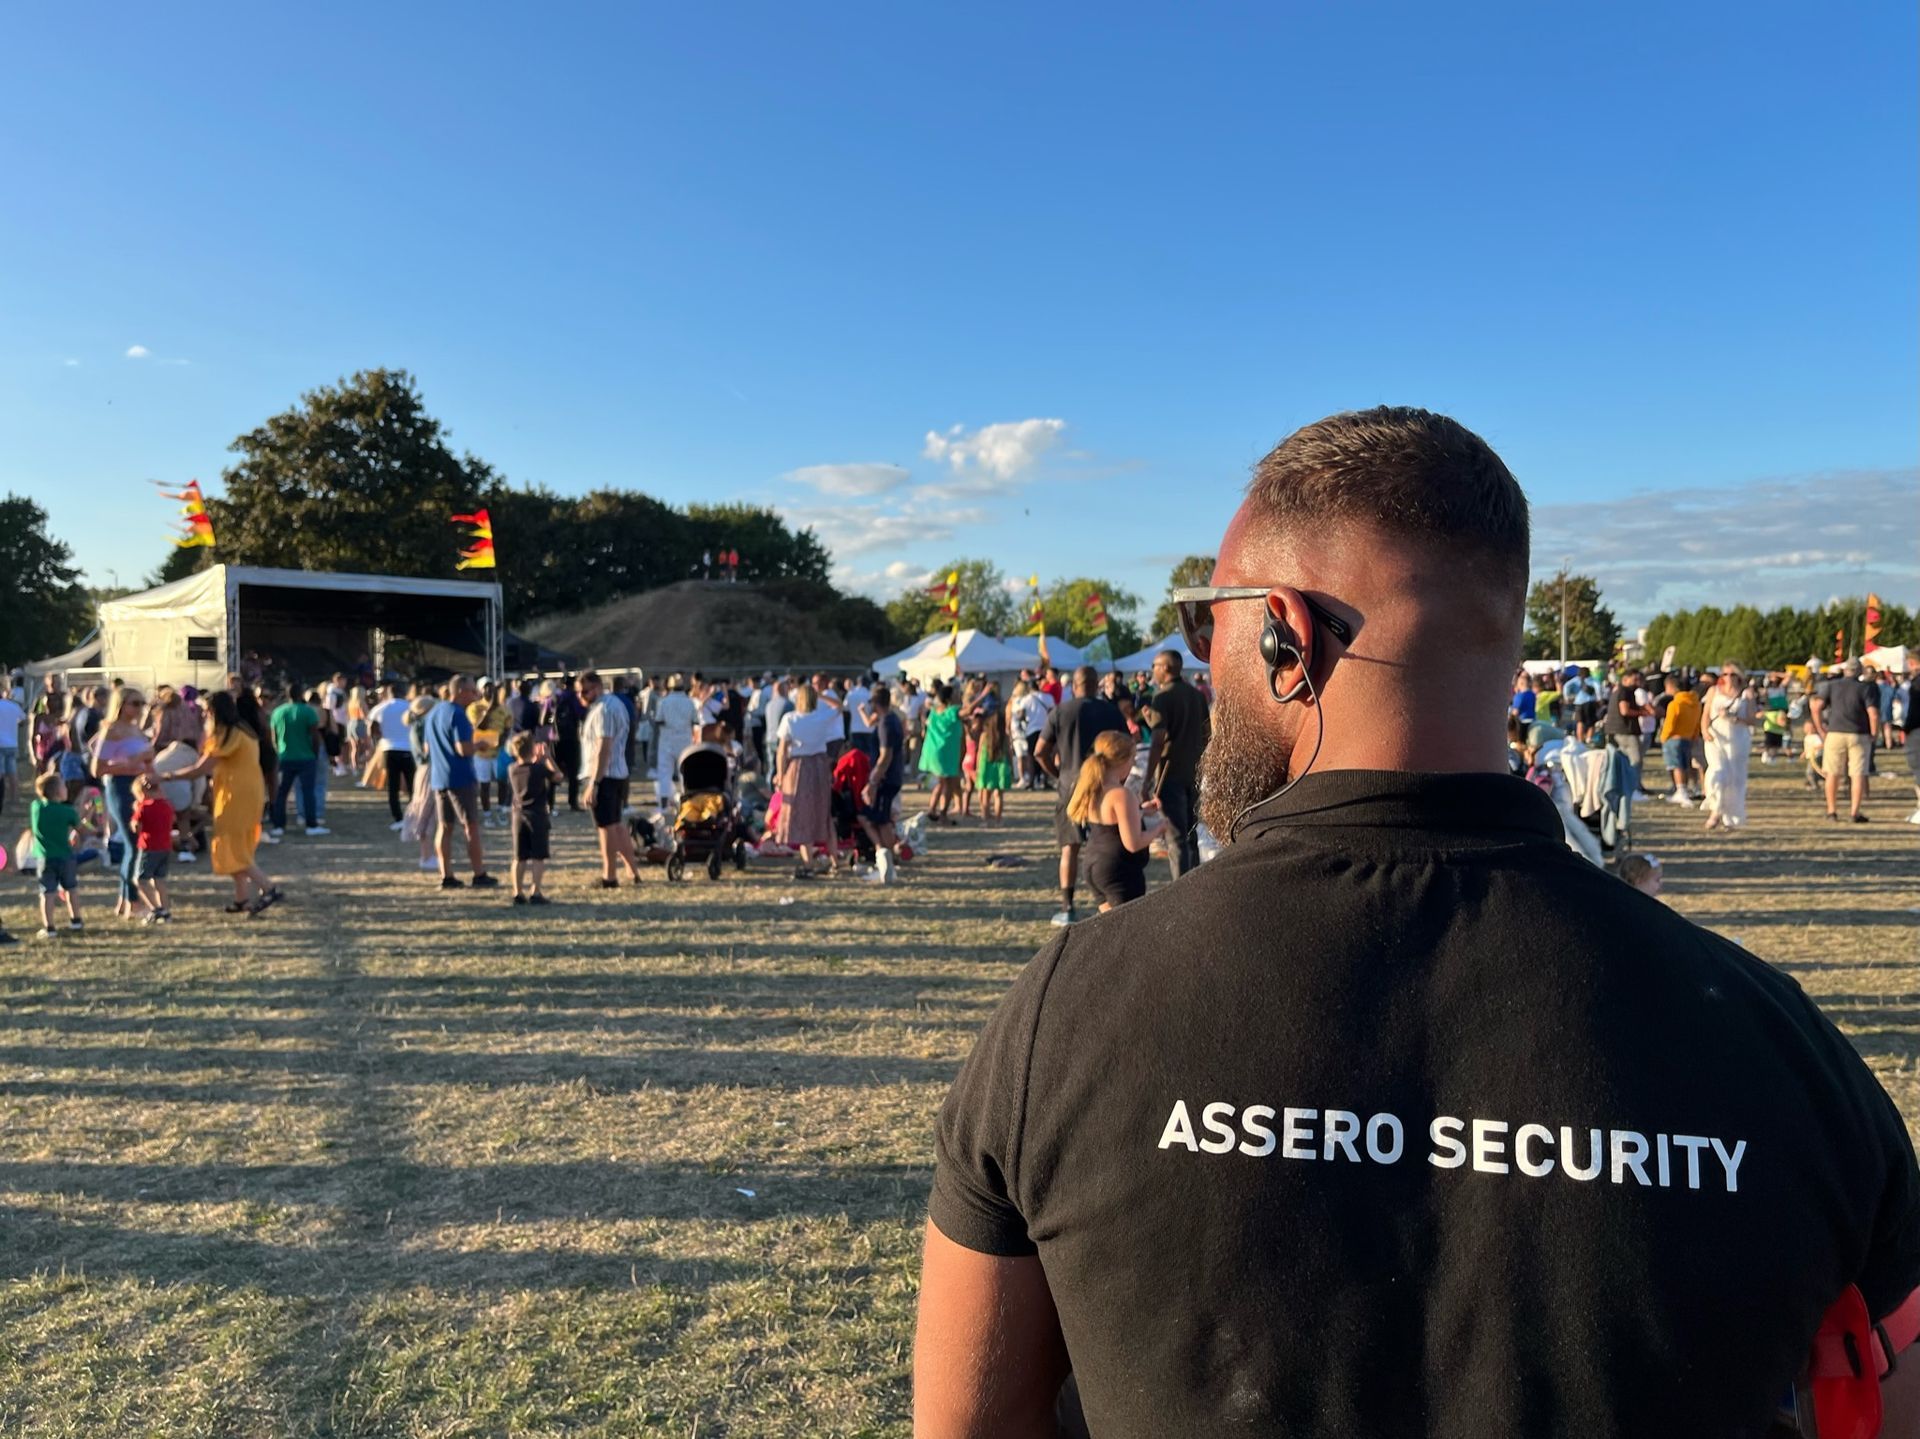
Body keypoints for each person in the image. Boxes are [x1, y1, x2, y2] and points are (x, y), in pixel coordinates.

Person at [915, 405, 1920, 1439]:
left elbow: (967, 1417)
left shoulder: (1068, 1013)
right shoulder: (1776, 1046)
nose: (1198, 663)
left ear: (1285, 634)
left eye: (1201, 622)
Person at [1034, 666, 1126, 926]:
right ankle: (1111, 905)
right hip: (1104, 786)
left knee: (1069, 849)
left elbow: (1040, 752)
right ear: (1097, 684)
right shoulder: (1110, 711)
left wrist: (1057, 774)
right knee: (1107, 845)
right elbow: (1126, 748)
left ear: (1073, 685)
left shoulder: (1060, 711)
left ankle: (1067, 907)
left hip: (1069, 786)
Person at [179, 689, 280, 915]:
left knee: (231, 844)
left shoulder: (227, 735)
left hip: (237, 795)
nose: (204, 716)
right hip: (245, 792)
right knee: (239, 843)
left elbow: (200, 769)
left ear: (215, 712)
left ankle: (268, 887)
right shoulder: (242, 729)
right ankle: (241, 898)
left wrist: (166, 776)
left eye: (206, 711)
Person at [1066, 728, 1162, 912]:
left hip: (1094, 864)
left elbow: (1110, 821)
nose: (1134, 763)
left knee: (1108, 932)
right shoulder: (1122, 794)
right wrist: (1160, 828)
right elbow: (1133, 843)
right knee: (1126, 932)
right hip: (1119, 869)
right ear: (1122, 760)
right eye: (1132, 758)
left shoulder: (1093, 788)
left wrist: (1140, 811)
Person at [1142, 649, 1210, 880]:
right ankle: (1195, 885)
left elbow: (1158, 742)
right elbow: (1207, 734)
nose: (1153, 672)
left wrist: (1146, 780)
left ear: (1165, 668)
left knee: (1176, 839)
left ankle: (1181, 888)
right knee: (1191, 836)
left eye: (1154, 666)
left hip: (1169, 776)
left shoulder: (1163, 697)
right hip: (1194, 772)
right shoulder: (1196, 695)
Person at [426, 675, 499, 890]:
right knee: (471, 826)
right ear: (459, 691)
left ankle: (446, 875)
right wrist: (480, 745)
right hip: (460, 777)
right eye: (471, 691)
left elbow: (427, 747)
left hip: (439, 777)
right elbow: (463, 748)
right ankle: (479, 873)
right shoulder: (458, 714)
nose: (475, 696)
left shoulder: (434, 713)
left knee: (445, 827)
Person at [90, 686, 155, 919]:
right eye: (134, 703)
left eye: (142, 703)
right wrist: (131, 763)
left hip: (140, 787)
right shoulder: (112, 730)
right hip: (121, 786)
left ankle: (124, 900)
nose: (139, 708)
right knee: (134, 843)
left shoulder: (136, 730)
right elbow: (97, 768)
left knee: (135, 843)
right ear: (121, 705)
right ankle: (134, 901)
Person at [579, 669, 642, 888]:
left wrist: (593, 784)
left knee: (605, 827)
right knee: (616, 824)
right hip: (617, 771)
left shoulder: (604, 709)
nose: (581, 696)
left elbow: (602, 747)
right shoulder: (614, 704)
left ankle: (609, 876)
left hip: (604, 774)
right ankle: (632, 871)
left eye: (585, 691)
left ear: (597, 687)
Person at [774, 682, 840, 878]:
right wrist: (822, 695)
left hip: (799, 767)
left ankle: (808, 861)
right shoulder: (821, 717)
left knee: (802, 815)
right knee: (823, 814)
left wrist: (780, 773)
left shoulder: (790, 719)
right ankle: (835, 859)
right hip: (819, 766)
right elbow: (839, 706)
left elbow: (781, 751)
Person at [1812, 657, 1880, 823]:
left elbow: (1816, 706)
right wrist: (1874, 733)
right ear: (1860, 671)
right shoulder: (1865, 688)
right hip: (1859, 734)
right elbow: (1873, 713)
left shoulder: (1832, 686)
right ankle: (1854, 812)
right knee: (1857, 774)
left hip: (1835, 733)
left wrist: (1820, 728)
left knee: (1832, 774)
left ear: (1845, 670)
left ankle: (1831, 811)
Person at [858, 684, 908, 884]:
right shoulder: (892, 719)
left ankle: (887, 865)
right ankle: (886, 861)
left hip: (885, 778)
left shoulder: (886, 723)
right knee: (878, 819)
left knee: (881, 821)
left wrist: (873, 781)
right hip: (891, 776)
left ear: (876, 704)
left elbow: (885, 755)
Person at [29, 771, 86, 937]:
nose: (66, 788)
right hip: (66, 856)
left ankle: (49, 927)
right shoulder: (67, 811)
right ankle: (76, 920)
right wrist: (87, 813)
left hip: (45, 858)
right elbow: (81, 828)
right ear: (57, 792)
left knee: (47, 893)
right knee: (71, 888)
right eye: (63, 786)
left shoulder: (36, 808)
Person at [1701, 664, 1757, 832]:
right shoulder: (1713, 691)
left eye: (1732, 674)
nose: (1728, 677)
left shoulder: (1746, 694)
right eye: (1725, 674)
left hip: (1737, 739)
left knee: (1735, 778)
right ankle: (1715, 810)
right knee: (1718, 772)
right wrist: (1704, 730)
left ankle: (1731, 817)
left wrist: (1733, 718)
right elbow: (1705, 713)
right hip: (1716, 738)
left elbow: (1752, 719)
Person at [506, 730, 559, 906]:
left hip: (518, 816)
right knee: (538, 856)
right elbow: (558, 776)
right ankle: (535, 891)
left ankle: (517, 891)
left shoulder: (512, 769)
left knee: (519, 856)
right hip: (537, 815)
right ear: (532, 749)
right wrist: (548, 758)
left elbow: (527, 770)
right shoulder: (540, 769)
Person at [269, 684, 328, 838]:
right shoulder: (308, 711)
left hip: (285, 756)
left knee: (282, 793)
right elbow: (314, 736)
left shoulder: (278, 712)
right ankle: (311, 824)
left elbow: (274, 737)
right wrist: (314, 754)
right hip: (305, 757)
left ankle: (278, 825)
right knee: (308, 791)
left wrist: (278, 751)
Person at [369, 681, 415, 830]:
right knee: (411, 785)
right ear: (404, 692)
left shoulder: (381, 708)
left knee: (393, 786)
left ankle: (398, 818)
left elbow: (372, 728)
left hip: (389, 748)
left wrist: (378, 739)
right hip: (408, 749)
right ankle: (413, 815)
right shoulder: (410, 707)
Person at [131, 772, 175, 923]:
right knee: (159, 880)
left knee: (140, 880)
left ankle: (155, 909)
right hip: (165, 847)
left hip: (149, 847)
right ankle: (166, 909)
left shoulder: (144, 808)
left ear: (142, 793)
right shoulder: (167, 805)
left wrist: (136, 809)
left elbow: (136, 827)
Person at [917, 683, 963, 822]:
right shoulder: (952, 711)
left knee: (939, 782)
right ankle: (943, 814)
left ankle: (932, 809)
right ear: (949, 698)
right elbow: (967, 711)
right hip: (946, 752)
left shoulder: (934, 711)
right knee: (948, 783)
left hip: (932, 751)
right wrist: (983, 694)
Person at [468, 680, 510, 827]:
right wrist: (489, 710)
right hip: (481, 754)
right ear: (481, 690)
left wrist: (502, 740)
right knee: (484, 785)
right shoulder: (474, 708)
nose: (491, 692)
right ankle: (487, 814)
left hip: (498, 753)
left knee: (502, 783)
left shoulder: (504, 709)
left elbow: (507, 728)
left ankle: (501, 811)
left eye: (493, 689)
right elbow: (478, 727)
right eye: (487, 689)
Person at [654, 674, 699, 806]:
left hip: (666, 742)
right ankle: (687, 803)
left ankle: (663, 804)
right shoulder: (689, 702)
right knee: (685, 773)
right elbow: (695, 721)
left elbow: (658, 721)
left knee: (664, 773)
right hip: (685, 742)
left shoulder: (663, 702)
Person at [1657, 672, 1702, 806]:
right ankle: (1685, 788)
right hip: (1688, 737)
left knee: (1675, 765)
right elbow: (1697, 722)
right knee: (1685, 765)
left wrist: (1664, 737)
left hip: (1674, 737)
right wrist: (1694, 735)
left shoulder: (1675, 704)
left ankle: (1680, 790)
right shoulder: (1695, 703)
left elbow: (1670, 723)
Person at [544, 676, 586, 811]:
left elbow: (542, 719)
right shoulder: (575, 698)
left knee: (552, 771)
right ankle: (573, 803)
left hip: (555, 739)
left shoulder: (553, 698)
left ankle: (550, 803)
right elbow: (583, 715)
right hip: (571, 739)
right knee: (573, 772)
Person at [974, 697, 1011, 824]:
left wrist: (977, 767)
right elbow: (1009, 752)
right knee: (998, 795)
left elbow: (979, 752)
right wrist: (1010, 765)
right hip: (1000, 765)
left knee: (986, 794)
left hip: (986, 764)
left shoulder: (984, 736)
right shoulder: (1005, 737)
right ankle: (998, 819)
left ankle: (985, 818)